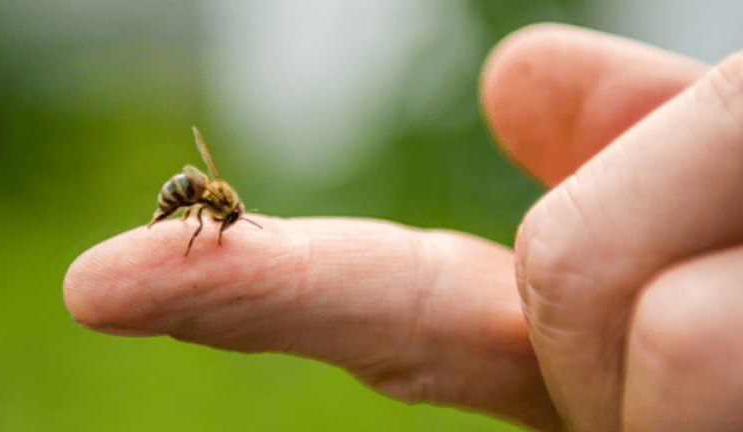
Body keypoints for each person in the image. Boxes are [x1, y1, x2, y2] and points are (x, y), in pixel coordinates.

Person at [63, 23, 743, 431]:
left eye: (226, 220)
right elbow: (198, 197)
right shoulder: (209, 202)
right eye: (227, 219)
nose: (227, 224)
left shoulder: (217, 204)